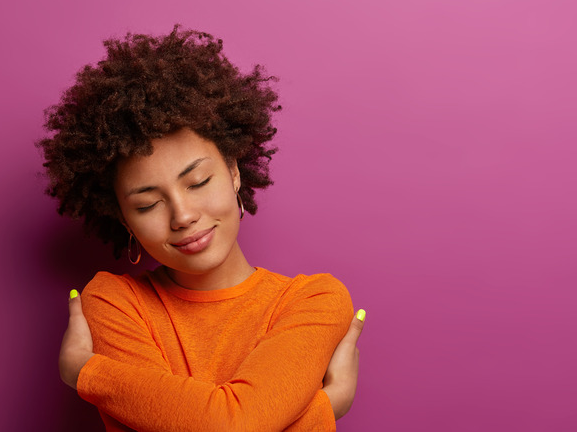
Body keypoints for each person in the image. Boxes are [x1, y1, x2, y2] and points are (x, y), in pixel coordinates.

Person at [39, 26, 366, 431]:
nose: (182, 216)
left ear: (232, 172)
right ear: (124, 218)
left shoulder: (314, 300)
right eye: (148, 204)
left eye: (197, 183)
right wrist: (326, 407)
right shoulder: (114, 303)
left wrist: (86, 374)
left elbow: (233, 426)